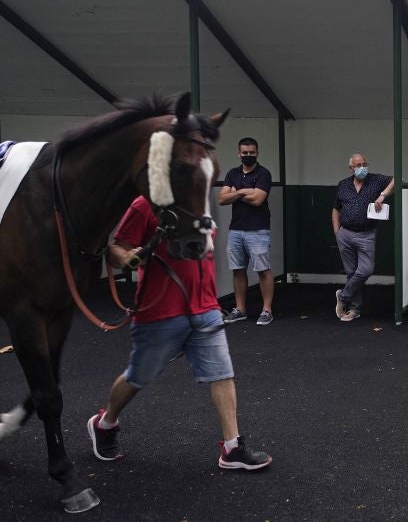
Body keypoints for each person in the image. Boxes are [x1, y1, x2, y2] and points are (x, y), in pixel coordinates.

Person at [87, 196, 272, 471]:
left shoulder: (199, 200)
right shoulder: (144, 204)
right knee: (138, 376)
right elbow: (116, 248)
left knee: (222, 373)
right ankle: (104, 423)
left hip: (205, 307)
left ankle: (232, 448)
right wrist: (125, 257)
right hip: (159, 310)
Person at [332, 153, 395, 322]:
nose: (362, 168)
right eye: (358, 165)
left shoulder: (375, 180)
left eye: (364, 164)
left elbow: (398, 178)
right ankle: (354, 310)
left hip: (366, 234)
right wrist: (337, 232)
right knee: (351, 273)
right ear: (351, 168)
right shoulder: (343, 185)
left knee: (366, 270)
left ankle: (343, 296)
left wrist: (382, 195)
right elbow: (336, 209)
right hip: (345, 234)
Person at [218, 137, 274, 326]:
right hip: (236, 230)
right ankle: (240, 309)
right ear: (239, 153)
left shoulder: (263, 173)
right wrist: (243, 192)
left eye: (251, 153)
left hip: (258, 230)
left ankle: (267, 310)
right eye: (245, 153)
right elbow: (221, 199)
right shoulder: (232, 173)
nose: (248, 156)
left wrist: (235, 193)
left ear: (257, 153)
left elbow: (258, 199)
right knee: (238, 270)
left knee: (263, 270)